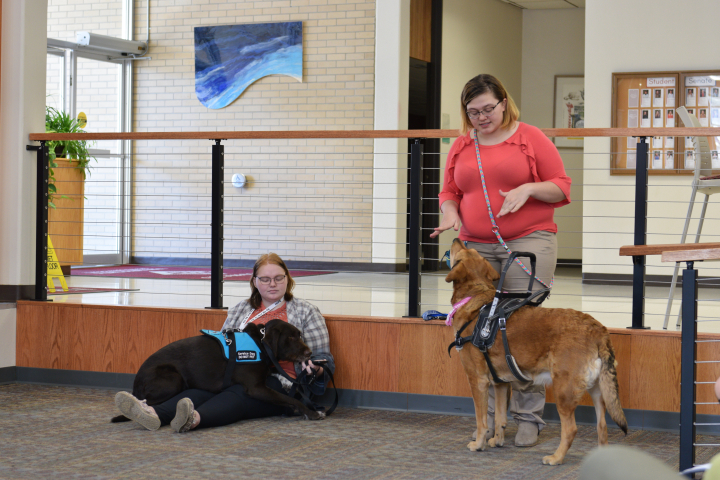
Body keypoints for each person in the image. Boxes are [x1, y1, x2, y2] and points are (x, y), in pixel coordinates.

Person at [431, 74, 571, 447]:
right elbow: (450, 190)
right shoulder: (462, 145)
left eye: (488, 108)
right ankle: (494, 420)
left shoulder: (530, 137)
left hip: (528, 243)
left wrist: (528, 188)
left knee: (520, 329)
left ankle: (528, 417)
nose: (481, 117)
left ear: (504, 103)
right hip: (477, 249)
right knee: (482, 333)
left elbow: (561, 185)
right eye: (473, 111)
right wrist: (450, 213)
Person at [114, 253, 335, 432]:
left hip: (281, 382)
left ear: (288, 279)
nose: (273, 284)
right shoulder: (241, 309)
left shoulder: (305, 311)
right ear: (254, 282)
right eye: (265, 279)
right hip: (239, 375)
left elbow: (325, 358)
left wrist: (316, 367)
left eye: (279, 278)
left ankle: (194, 419)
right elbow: (223, 349)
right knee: (203, 391)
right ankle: (152, 414)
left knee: (239, 393)